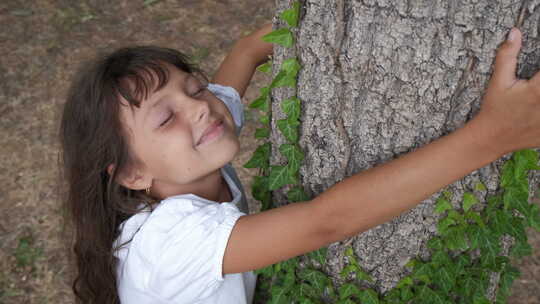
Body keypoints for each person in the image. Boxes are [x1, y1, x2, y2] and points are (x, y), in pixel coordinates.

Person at [60, 23, 540, 304]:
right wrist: (490, 137)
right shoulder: (169, 240)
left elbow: (223, 95)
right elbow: (325, 222)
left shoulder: (192, 156)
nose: (200, 109)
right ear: (130, 174)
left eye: (194, 88)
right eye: (166, 118)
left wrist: (250, 48)